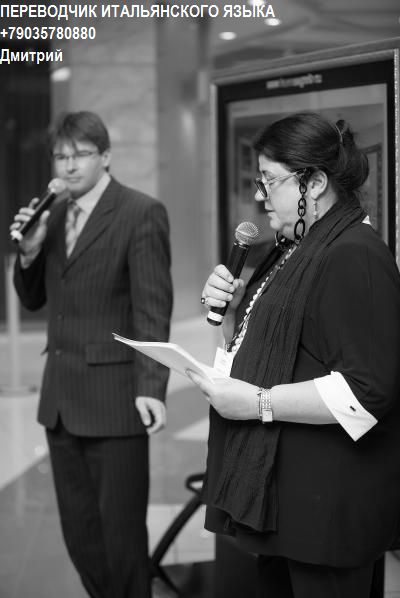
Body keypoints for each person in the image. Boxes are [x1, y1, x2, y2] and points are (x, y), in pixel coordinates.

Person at [187, 112, 400, 598]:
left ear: (315, 183)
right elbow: (279, 350)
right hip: (288, 505)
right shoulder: (294, 249)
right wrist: (232, 315)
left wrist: (258, 403)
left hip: (326, 517)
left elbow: (366, 392)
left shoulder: (354, 254)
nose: (260, 195)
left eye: (270, 180)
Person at [10, 111, 173, 598]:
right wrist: (29, 251)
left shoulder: (140, 212)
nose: (69, 165)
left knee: (122, 542)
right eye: (60, 155)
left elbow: (152, 308)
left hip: (115, 402)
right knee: (81, 539)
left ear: (105, 156)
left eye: (80, 154)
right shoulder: (53, 214)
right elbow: (34, 300)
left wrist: (152, 387)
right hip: (60, 402)